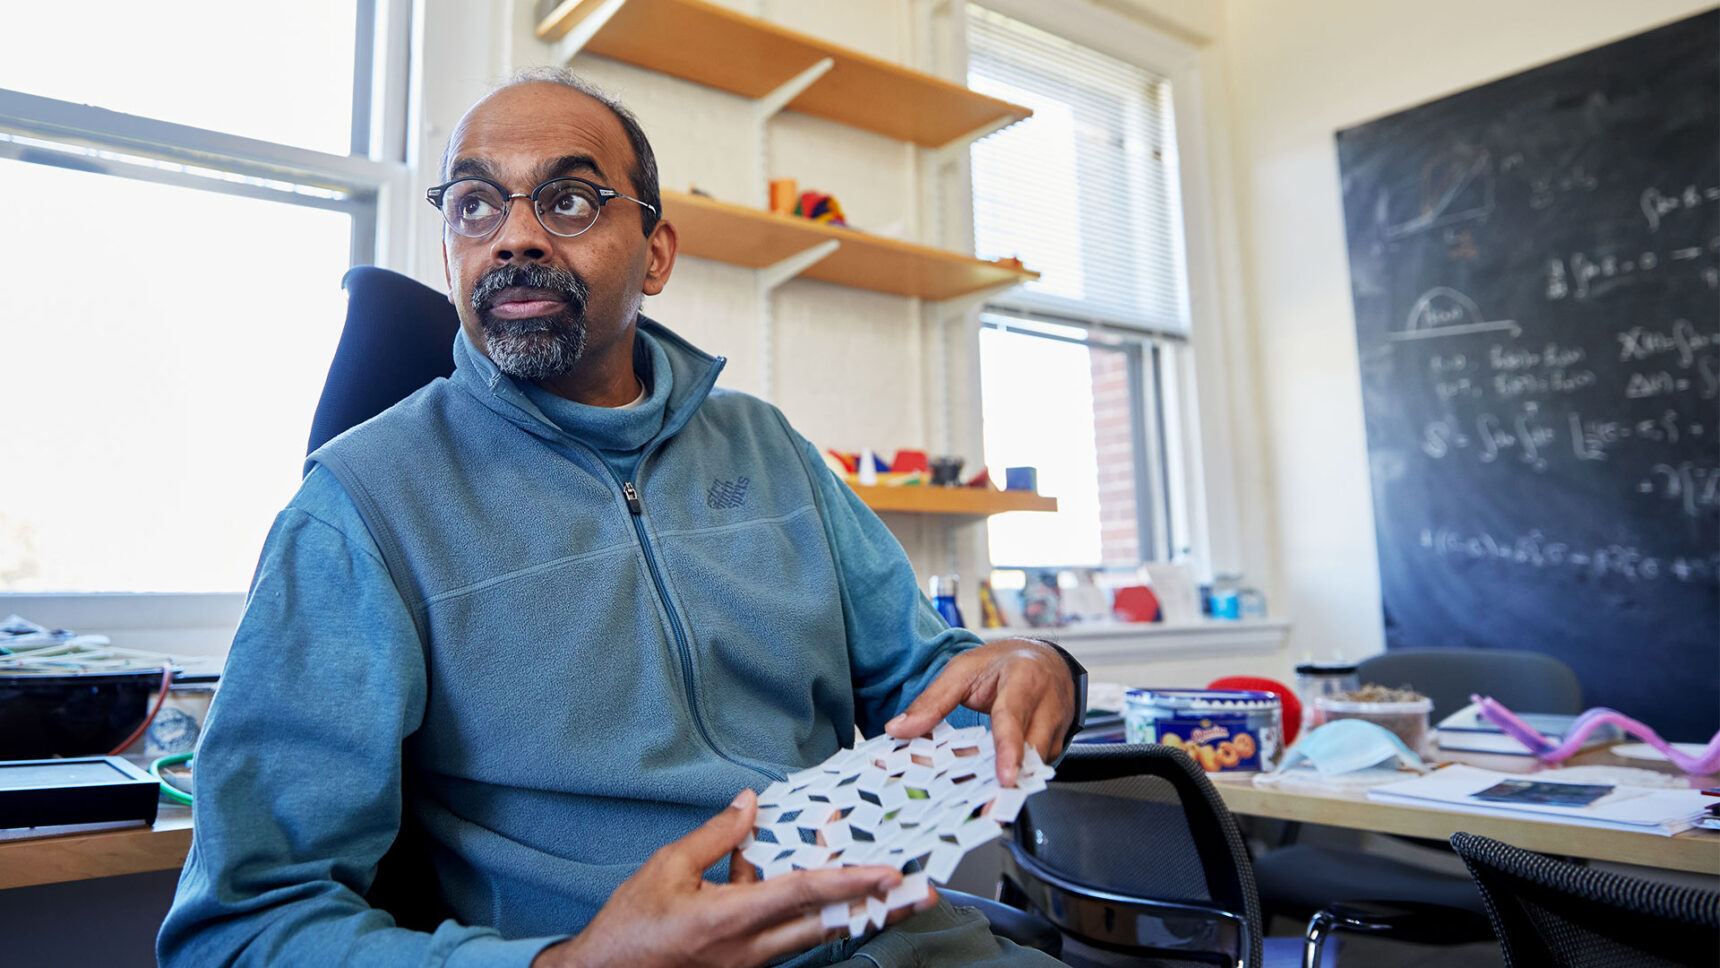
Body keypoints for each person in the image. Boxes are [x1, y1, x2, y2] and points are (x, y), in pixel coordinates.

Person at [157, 68, 1079, 968]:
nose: (512, 236)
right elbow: (238, 930)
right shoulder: (359, 507)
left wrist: (1035, 667)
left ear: (658, 252)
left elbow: (936, 680)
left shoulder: (770, 448)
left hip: (900, 938)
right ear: (448, 249)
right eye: (475, 204)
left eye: (567, 201)